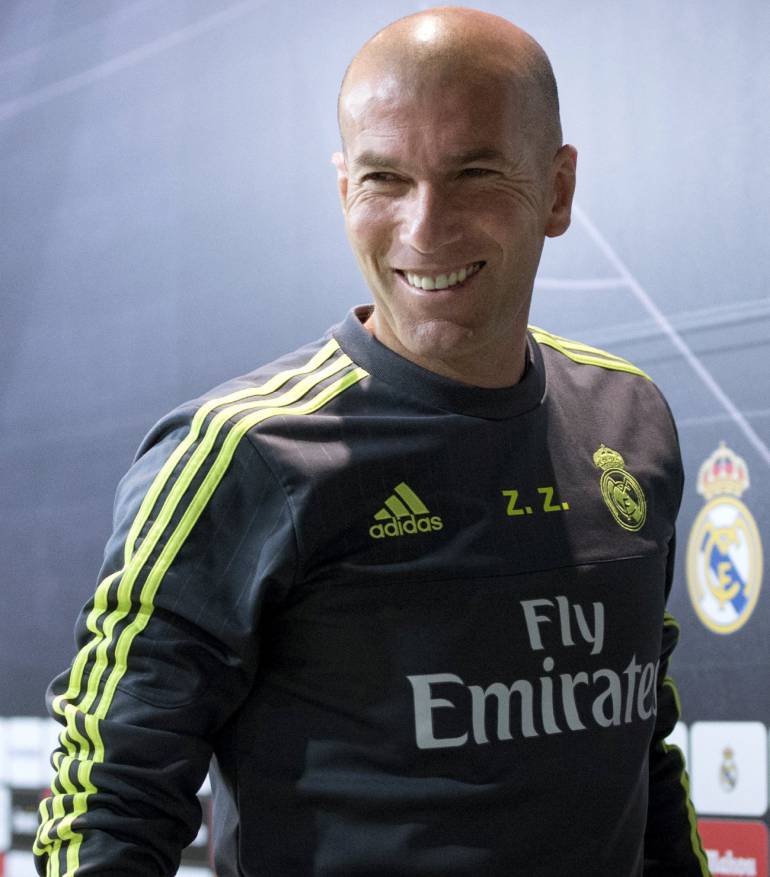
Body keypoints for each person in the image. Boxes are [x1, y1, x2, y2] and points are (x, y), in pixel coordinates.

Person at [34, 7, 711, 876]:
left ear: (557, 190)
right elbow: (106, 809)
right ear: (343, 186)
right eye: (386, 178)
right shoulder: (240, 454)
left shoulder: (631, 419)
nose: (425, 229)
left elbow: (642, 753)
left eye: (474, 173)